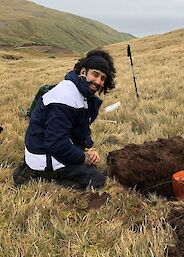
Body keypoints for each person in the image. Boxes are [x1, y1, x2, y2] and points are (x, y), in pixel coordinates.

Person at [13, 49, 116, 189]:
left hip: (44, 146)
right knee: (96, 179)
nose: (98, 82)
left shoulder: (80, 93)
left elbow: (80, 128)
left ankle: (38, 168)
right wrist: (83, 158)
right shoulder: (65, 97)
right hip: (44, 154)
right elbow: (56, 144)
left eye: (103, 78)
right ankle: (42, 175)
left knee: (87, 165)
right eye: (95, 74)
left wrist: (88, 147)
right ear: (83, 72)